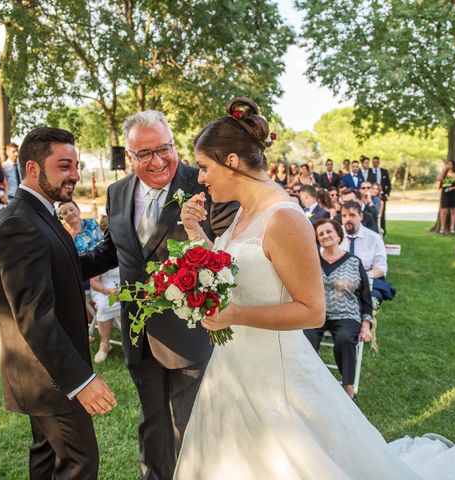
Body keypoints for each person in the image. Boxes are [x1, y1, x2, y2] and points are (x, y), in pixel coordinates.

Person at [174, 97, 418, 480]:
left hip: (273, 376)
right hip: (231, 369)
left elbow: (312, 310)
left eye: (204, 167)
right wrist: (195, 233)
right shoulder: (243, 209)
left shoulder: (285, 218)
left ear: (232, 162)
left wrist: (235, 315)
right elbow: (228, 275)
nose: (200, 178)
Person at [79, 110, 237, 479]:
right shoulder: (117, 193)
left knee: (190, 421)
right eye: (145, 154)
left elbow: (227, 255)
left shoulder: (204, 184)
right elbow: (111, 250)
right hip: (137, 331)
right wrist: (63, 265)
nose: (158, 160)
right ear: (129, 158)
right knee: (151, 420)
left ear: (174, 145)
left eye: (164, 149)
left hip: (192, 329)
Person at [0, 127, 116, 480]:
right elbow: (33, 316)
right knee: (78, 463)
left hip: (46, 374)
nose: (74, 174)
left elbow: (67, 270)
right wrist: (80, 381)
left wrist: (114, 247)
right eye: (64, 165)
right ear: (32, 168)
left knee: (47, 462)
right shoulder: (19, 224)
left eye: (75, 165)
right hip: (49, 378)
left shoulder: (40, 212)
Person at [304, 218, 373, 400]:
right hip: (317, 312)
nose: (325, 236)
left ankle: (349, 391)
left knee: (344, 340)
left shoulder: (354, 262)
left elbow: (366, 298)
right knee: (305, 338)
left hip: (346, 315)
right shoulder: (312, 260)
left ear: (338, 235)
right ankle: (307, 385)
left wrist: (366, 325)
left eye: (329, 232)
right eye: (321, 234)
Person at [58, 200, 116, 363]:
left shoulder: (91, 223)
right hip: (81, 272)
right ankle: (81, 326)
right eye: (65, 212)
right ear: (62, 217)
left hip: (100, 265)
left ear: (78, 210)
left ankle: (85, 322)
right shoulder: (64, 233)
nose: (69, 214)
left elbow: (102, 245)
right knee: (69, 283)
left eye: (71, 209)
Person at [339, 201, 395, 303]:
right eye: (344, 216)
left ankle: (367, 317)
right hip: (339, 280)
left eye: (352, 215)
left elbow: (381, 268)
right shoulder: (334, 236)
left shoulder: (374, 238)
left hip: (366, 279)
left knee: (371, 298)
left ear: (361, 216)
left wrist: (362, 277)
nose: (347, 219)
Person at [368, 156, 392, 234]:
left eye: (377, 162)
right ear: (372, 163)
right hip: (372, 194)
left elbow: (388, 183)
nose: (375, 163)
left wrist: (387, 194)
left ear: (379, 162)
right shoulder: (370, 171)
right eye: (374, 162)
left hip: (381, 195)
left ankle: (382, 230)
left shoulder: (384, 171)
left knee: (381, 214)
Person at [437, 160, 455, 235]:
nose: (449, 165)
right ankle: (442, 228)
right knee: (443, 211)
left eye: (450, 164)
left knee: (453, 211)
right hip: (445, 193)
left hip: (453, 193)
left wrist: (453, 188)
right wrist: (444, 170)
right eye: (448, 164)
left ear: (453, 165)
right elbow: (439, 179)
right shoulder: (444, 174)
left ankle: (452, 228)